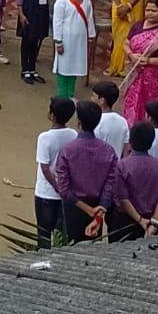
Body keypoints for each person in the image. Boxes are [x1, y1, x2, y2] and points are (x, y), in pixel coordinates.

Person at [54, 100, 117, 242]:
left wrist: (87, 209)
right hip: (98, 207)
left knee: (70, 247)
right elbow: (110, 183)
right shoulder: (108, 150)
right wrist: (100, 209)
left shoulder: (68, 150)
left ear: (78, 122)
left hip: (73, 207)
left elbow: (64, 189)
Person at [120, 0, 158, 125]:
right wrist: (131, 55)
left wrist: (149, 61)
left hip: (155, 79)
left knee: (152, 106)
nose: (150, 13)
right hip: (135, 73)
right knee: (133, 102)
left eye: (154, 11)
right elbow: (126, 43)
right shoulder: (137, 26)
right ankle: (131, 128)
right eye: (148, 10)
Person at [111, 122, 158, 241]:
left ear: (131, 142)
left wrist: (139, 220)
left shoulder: (122, 166)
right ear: (151, 142)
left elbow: (123, 199)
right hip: (152, 221)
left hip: (125, 221)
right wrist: (154, 221)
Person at [34, 97, 77, 249]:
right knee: (61, 235)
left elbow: (45, 168)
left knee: (44, 234)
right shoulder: (73, 134)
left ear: (52, 115)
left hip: (46, 193)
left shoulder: (45, 138)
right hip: (66, 192)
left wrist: (57, 186)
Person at [51, 0, 95, 99]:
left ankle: (70, 94)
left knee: (74, 67)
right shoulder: (62, 2)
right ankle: (61, 95)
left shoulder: (87, 1)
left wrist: (91, 36)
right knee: (63, 68)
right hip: (66, 40)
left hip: (80, 41)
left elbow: (90, 19)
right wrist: (58, 41)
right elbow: (57, 22)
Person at [16, 0, 53, 84]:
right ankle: (25, 69)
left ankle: (32, 69)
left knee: (38, 37)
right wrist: (21, 12)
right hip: (29, 5)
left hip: (42, 5)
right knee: (28, 38)